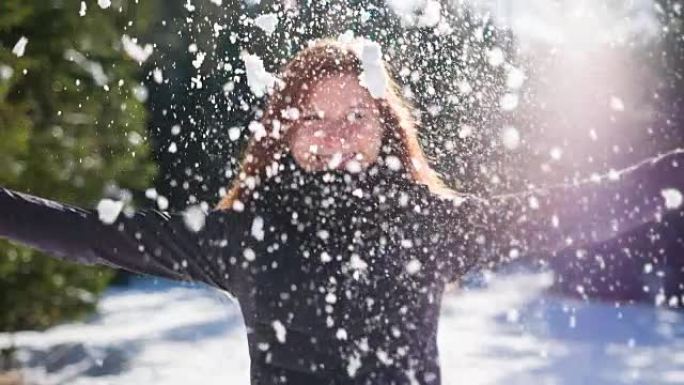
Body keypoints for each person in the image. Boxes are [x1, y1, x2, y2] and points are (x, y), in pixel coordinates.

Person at [1, 38, 683, 385]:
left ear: (387, 125)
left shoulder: (433, 221)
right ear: (285, 131)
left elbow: (577, 208)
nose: (338, 131)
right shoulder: (243, 233)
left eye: (359, 113)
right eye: (316, 116)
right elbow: (90, 235)